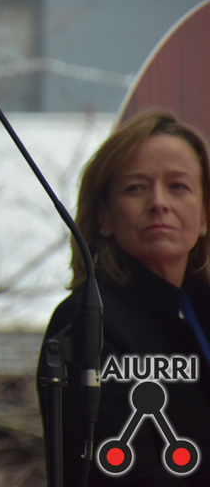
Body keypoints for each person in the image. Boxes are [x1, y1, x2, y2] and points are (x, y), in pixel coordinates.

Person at [39, 109, 210, 486]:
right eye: (136, 188)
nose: (159, 203)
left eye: (178, 186)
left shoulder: (197, 311)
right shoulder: (87, 321)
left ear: (204, 216)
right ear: (104, 216)